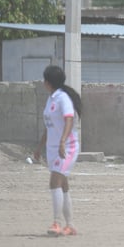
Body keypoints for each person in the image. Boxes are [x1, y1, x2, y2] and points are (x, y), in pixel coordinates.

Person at [34, 65, 82, 236]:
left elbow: (69, 120)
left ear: (48, 82)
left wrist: (63, 141)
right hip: (53, 149)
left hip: (67, 148)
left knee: (54, 182)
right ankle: (70, 226)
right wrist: (39, 148)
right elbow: (49, 126)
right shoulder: (51, 98)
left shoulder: (63, 98)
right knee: (63, 186)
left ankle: (57, 223)